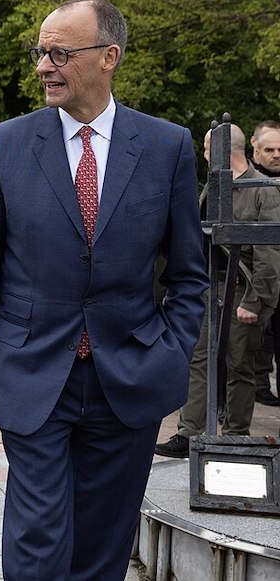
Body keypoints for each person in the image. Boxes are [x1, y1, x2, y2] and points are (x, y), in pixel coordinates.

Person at [0, 1, 206, 579]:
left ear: (108, 58)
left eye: (60, 53)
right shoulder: (9, 147)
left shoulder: (167, 146)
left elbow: (190, 273)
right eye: (41, 53)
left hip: (130, 376)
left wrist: (168, 351)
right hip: (32, 372)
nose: (44, 65)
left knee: (104, 548)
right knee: (38, 543)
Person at [155, 125, 280, 458]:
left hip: (242, 290)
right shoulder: (213, 187)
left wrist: (255, 301)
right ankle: (188, 432)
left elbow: (269, 254)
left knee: (240, 365)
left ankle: (235, 435)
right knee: (199, 360)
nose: (205, 155)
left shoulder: (261, 189)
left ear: (224, 151)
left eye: (209, 148)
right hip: (209, 288)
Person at [251, 120, 280, 407]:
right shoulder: (246, 181)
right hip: (257, 281)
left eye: (279, 149)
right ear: (255, 148)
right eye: (269, 149)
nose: (276, 154)